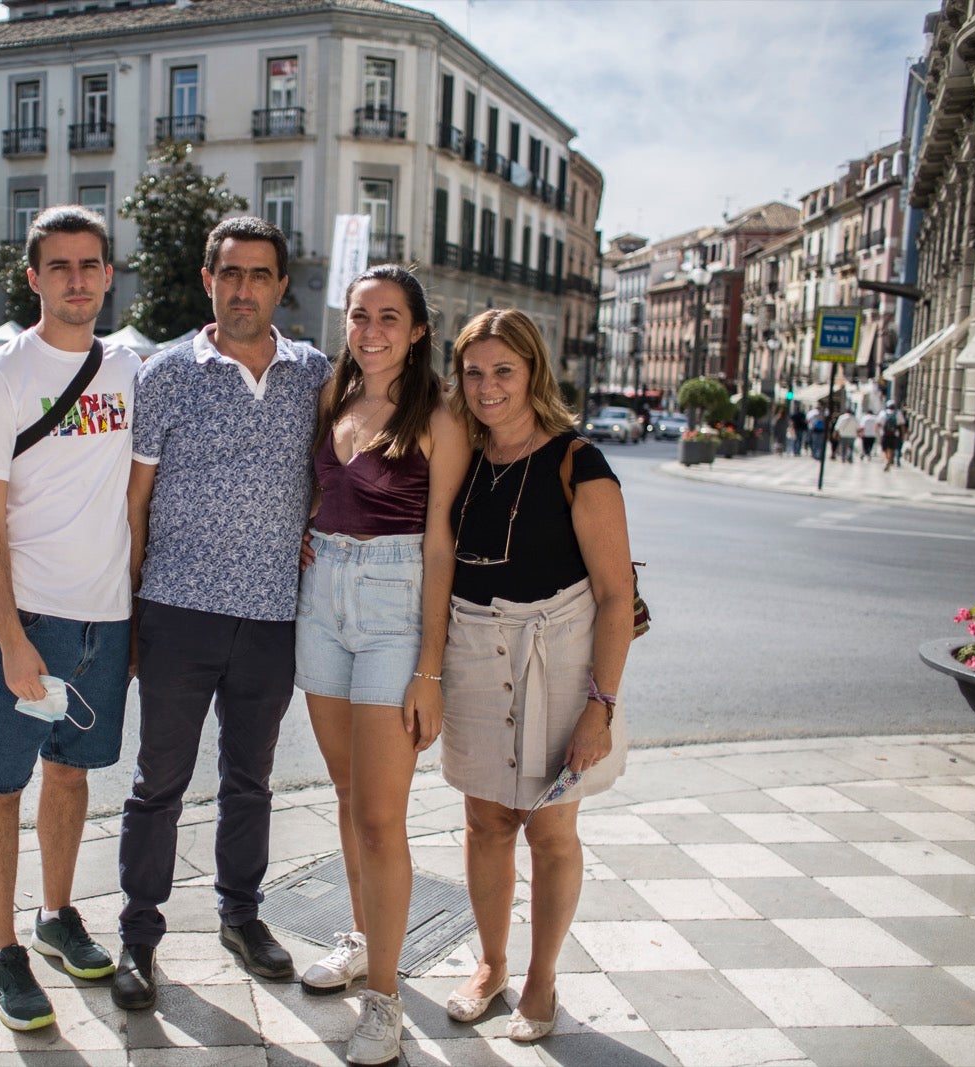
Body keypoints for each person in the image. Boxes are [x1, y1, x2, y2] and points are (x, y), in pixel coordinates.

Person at [113, 217, 332, 1011]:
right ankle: (139, 935)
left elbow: (341, 466)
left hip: (272, 617)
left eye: (259, 275)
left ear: (282, 286)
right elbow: (135, 502)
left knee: (251, 780)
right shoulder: (165, 374)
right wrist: (130, 614)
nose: (244, 289)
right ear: (208, 281)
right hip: (176, 611)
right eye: (230, 274)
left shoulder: (314, 374)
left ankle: (241, 915)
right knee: (158, 782)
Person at [0, 205, 138, 1032]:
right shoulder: (2, 375)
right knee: (0, 788)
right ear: (32, 278)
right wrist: (11, 637)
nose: (76, 278)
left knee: (72, 774)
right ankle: (3, 950)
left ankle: (56, 915)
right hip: (25, 619)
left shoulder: (128, 368)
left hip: (107, 619)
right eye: (58, 265)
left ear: (108, 274)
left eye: (89, 263)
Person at [440, 308, 634, 1044]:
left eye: (503, 371)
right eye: (473, 372)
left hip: (559, 658)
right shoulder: (460, 456)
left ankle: (541, 977)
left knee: (550, 831)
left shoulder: (578, 461)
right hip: (472, 652)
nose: (487, 386)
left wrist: (600, 708)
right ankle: (491, 966)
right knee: (485, 822)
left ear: (533, 373)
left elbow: (615, 595)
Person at [293, 265, 466, 1065]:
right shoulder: (332, 396)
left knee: (379, 816)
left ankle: (385, 1000)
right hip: (321, 599)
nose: (371, 331)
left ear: (419, 329)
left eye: (390, 317)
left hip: (397, 607)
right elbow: (317, 494)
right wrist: (309, 532)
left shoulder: (439, 413)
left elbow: (442, 542)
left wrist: (430, 668)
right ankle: (363, 939)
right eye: (360, 315)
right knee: (345, 790)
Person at [881, 400, 906, 470]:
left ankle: (886, 460)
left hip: (884, 434)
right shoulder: (898, 413)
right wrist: (903, 435)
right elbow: (902, 425)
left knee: (884, 449)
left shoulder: (883, 413)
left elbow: (878, 424)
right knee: (891, 449)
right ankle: (889, 460)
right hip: (894, 434)